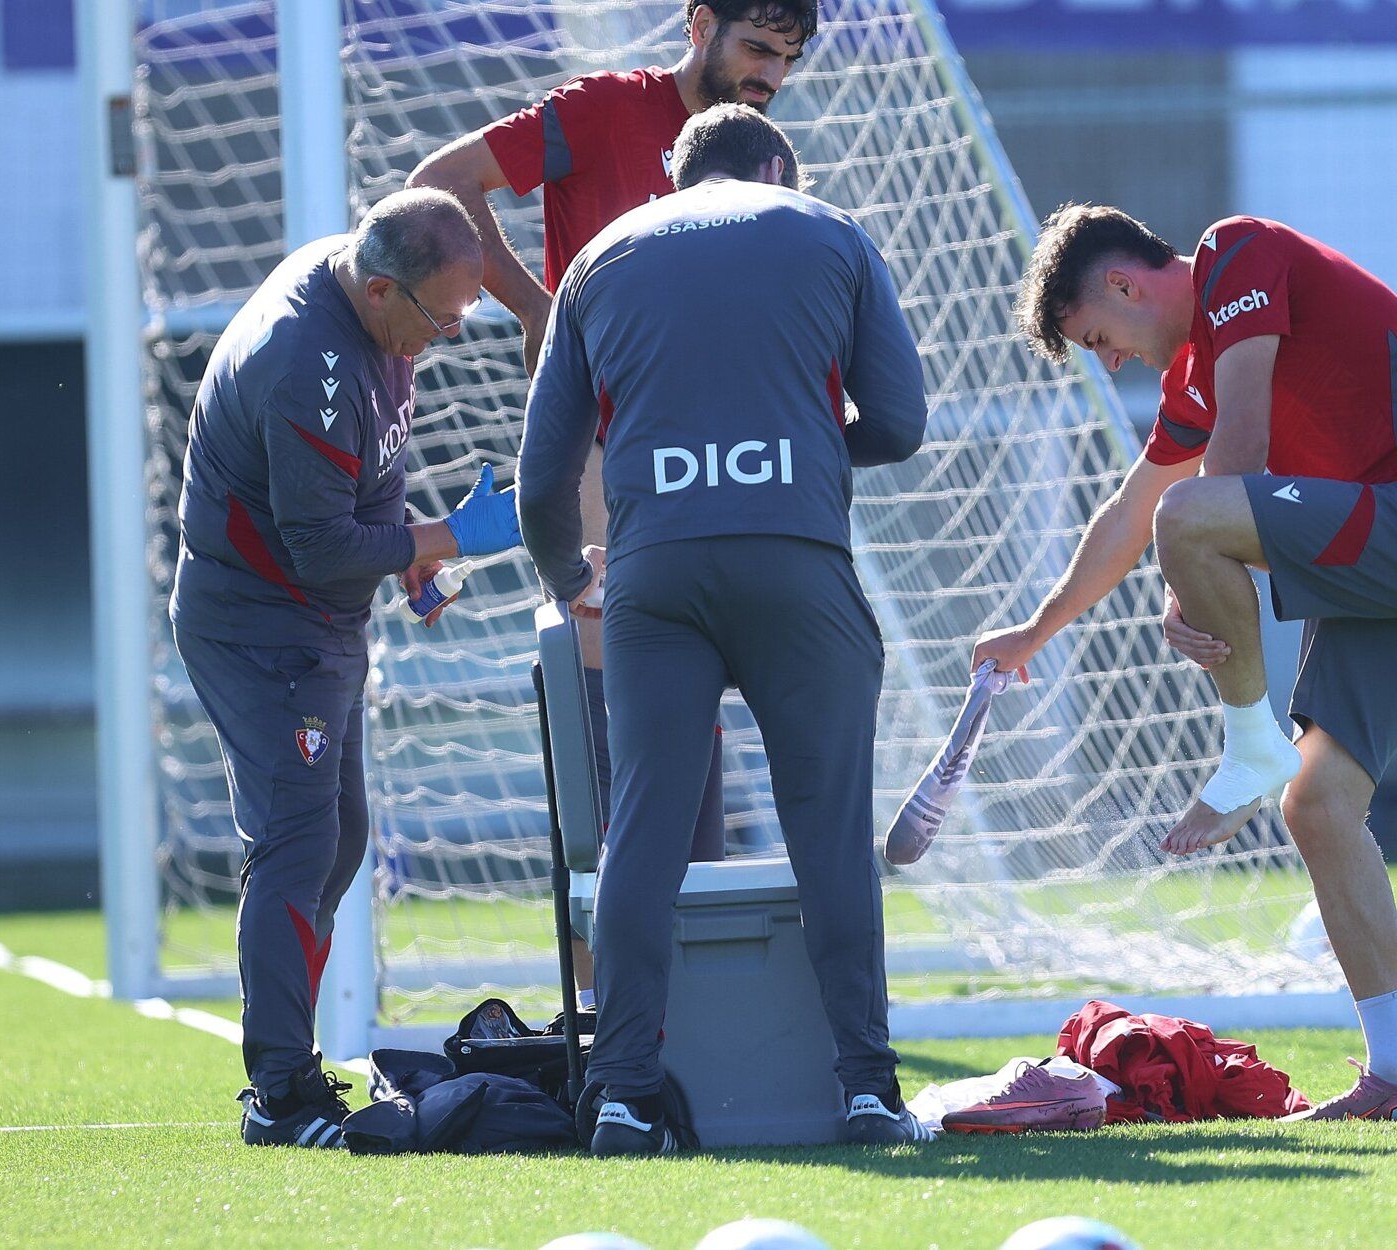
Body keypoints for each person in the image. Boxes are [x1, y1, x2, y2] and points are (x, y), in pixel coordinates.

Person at [974, 205, 1397, 1122]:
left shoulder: (1237, 251)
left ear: (1124, 284)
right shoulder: (1190, 376)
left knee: (1194, 518)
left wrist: (1196, 559)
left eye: (1101, 338)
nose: (1111, 362)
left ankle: (1247, 743)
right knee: (1318, 803)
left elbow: (1237, 459)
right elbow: (1133, 510)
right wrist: (1036, 630)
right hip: (1384, 555)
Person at [516, 104, 928, 1153]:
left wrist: (574, 578)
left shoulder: (600, 257)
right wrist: (797, 446)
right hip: (795, 561)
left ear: (674, 169)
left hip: (654, 577)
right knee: (829, 828)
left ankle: (618, 1093)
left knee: (642, 833)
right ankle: (868, 1090)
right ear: (775, 166)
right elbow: (901, 421)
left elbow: (540, 482)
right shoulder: (827, 228)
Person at [409, 1, 822, 887]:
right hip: (601, 444)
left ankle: (693, 974)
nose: (770, 78)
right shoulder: (603, 110)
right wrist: (534, 307)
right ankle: (611, 999)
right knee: (614, 704)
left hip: (718, 462)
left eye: (786, 60)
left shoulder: (761, 165)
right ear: (698, 24)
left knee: (691, 697)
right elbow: (439, 182)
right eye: (756, 49)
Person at [170, 189, 526, 1148]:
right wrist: (450, 535)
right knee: (297, 841)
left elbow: (369, 468)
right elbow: (321, 544)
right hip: (260, 626)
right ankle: (281, 1093)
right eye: (442, 317)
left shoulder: (368, 304)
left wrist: (412, 551)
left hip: (313, 622)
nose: (451, 335)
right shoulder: (304, 358)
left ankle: (288, 1065)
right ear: (380, 290)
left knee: (338, 839)